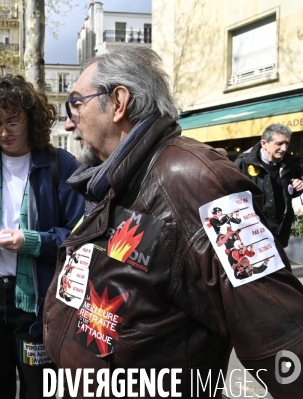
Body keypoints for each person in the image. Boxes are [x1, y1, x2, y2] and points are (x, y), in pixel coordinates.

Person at [42, 46, 303, 396]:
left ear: (119, 103)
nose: (70, 120)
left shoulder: (194, 180)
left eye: (76, 102)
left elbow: (282, 334)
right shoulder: (118, 178)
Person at [0, 75, 84, 399]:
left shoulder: (59, 163)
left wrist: (32, 242)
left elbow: (80, 235)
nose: (3, 133)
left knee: (40, 390)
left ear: (30, 118)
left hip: (38, 302)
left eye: (12, 122)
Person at [235, 124, 303, 247]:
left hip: (281, 229)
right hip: (253, 230)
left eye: (287, 143)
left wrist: (299, 186)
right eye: (279, 143)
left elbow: (292, 191)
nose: (284, 148)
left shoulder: (292, 163)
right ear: (264, 143)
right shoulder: (243, 162)